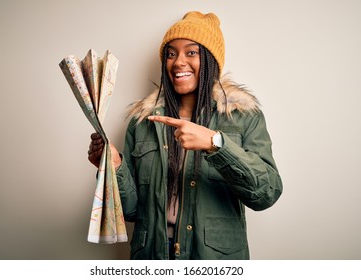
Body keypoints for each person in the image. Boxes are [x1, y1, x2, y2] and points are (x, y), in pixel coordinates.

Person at [88, 11, 283, 260]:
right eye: (171, 54)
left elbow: (267, 194)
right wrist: (115, 167)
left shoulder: (243, 117)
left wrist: (216, 144)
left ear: (211, 60)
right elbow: (132, 211)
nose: (178, 62)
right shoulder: (142, 122)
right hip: (153, 257)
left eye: (191, 52)